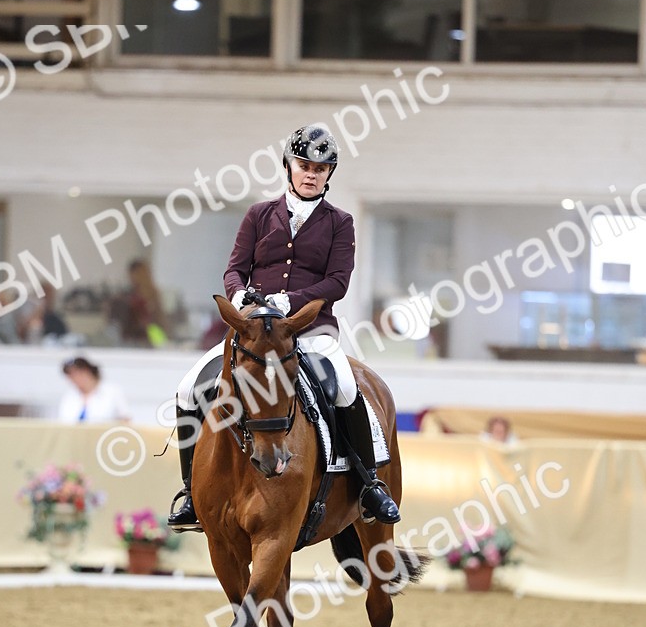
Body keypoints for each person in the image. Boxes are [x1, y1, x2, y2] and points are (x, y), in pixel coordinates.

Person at [167, 123, 400, 530]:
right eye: (304, 166)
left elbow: (338, 282)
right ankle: (191, 492)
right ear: (289, 166)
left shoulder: (340, 222)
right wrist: (239, 295)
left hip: (309, 330)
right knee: (189, 388)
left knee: (346, 388)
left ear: (328, 174)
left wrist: (289, 302)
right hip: (254, 333)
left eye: (320, 169)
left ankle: (368, 485)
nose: (311, 174)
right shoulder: (259, 215)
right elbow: (234, 269)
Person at [107, 259, 169, 346]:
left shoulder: (154, 295)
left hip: (151, 338)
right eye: (133, 274)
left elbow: (158, 322)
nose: (134, 277)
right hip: (132, 341)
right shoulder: (126, 296)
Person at [58, 356, 132, 423]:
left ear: (89, 371)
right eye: (71, 375)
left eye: (79, 373)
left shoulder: (112, 392)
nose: (76, 378)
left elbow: (126, 419)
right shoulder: (69, 396)